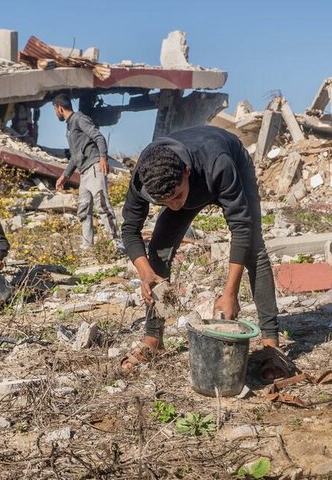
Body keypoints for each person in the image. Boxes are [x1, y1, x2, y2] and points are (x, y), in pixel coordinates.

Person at [120, 126, 289, 377]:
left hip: (229, 165)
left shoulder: (218, 165)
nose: (174, 207)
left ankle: (271, 344)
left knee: (254, 247)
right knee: (159, 249)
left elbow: (241, 227)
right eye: (164, 203)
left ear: (186, 172)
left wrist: (229, 293)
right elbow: (130, 230)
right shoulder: (144, 178)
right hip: (192, 182)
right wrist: (146, 274)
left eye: (176, 196)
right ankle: (153, 339)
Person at [52, 94, 123, 252]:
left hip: (94, 167)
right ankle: (87, 247)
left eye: (54, 110)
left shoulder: (79, 118)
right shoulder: (70, 126)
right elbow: (75, 156)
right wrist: (65, 176)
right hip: (84, 172)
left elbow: (98, 137)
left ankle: (118, 244)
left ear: (59, 107)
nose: (55, 113)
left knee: (102, 205)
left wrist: (103, 158)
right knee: (83, 210)